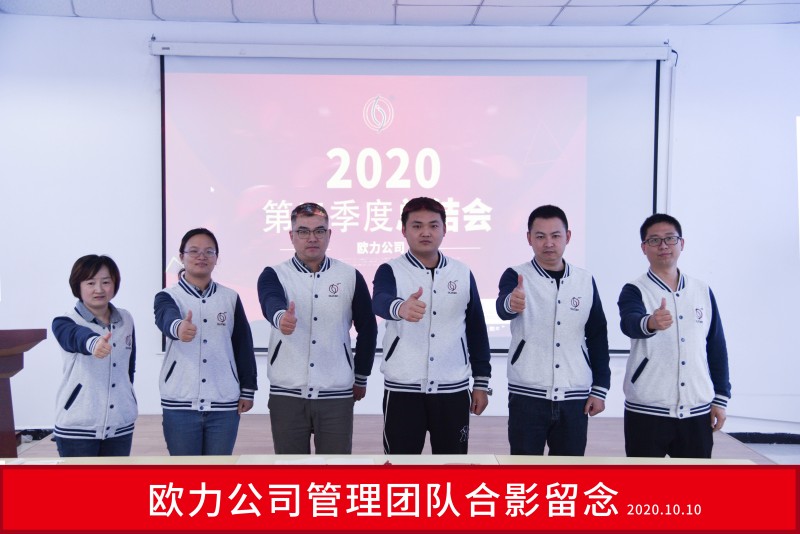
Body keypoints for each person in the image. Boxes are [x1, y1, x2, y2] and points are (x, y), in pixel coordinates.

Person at [372, 196, 491, 454]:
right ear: (404, 230)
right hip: (403, 389)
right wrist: (399, 308)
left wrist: (481, 383)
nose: (425, 232)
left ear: (444, 229)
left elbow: (476, 331)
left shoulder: (462, 272)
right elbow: (379, 301)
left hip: (453, 389)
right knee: (400, 466)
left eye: (433, 225)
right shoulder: (390, 270)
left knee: (453, 466)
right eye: (417, 226)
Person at [257, 202, 377, 454]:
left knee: (335, 469)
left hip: (336, 392)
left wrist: (361, 375)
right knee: (290, 470)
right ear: (291, 236)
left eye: (319, 231)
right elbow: (270, 300)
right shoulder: (274, 274)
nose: (312, 238)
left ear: (329, 234)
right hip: (287, 392)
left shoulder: (349, 276)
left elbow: (368, 328)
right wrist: (280, 317)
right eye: (303, 231)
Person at [496, 205, 610, 456]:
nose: (548, 243)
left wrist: (600, 388)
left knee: (568, 472)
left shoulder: (584, 280)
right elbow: (503, 308)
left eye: (555, 235)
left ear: (567, 237)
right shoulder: (516, 276)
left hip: (574, 395)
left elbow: (597, 336)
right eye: (540, 236)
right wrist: (512, 303)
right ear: (529, 238)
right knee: (524, 471)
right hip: (527, 394)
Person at [618, 213, 730, 458]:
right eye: (654, 240)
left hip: (696, 410)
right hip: (646, 411)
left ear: (682, 243)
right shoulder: (634, 290)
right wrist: (650, 322)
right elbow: (629, 322)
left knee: (694, 481)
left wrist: (721, 398)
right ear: (644, 248)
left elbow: (716, 346)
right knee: (643, 482)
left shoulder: (701, 290)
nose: (663, 245)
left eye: (670, 238)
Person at [154, 228, 258, 456]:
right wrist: (178, 328)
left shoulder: (230, 298)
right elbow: (165, 318)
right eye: (194, 251)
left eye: (208, 251)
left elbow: (242, 345)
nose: (201, 256)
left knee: (218, 471)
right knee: (185, 471)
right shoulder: (168, 296)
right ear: (181, 256)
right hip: (180, 402)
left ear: (216, 258)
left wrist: (248, 389)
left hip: (223, 403)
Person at [51, 255, 137, 457]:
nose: (99, 289)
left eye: (106, 282)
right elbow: (75, 336)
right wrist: (94, 342)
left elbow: (129, 367)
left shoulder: (126, 319)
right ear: (78, 286)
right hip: (78, 428)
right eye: (90, 283)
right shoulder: (64, 321)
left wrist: (127, 399)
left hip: (120, 424)